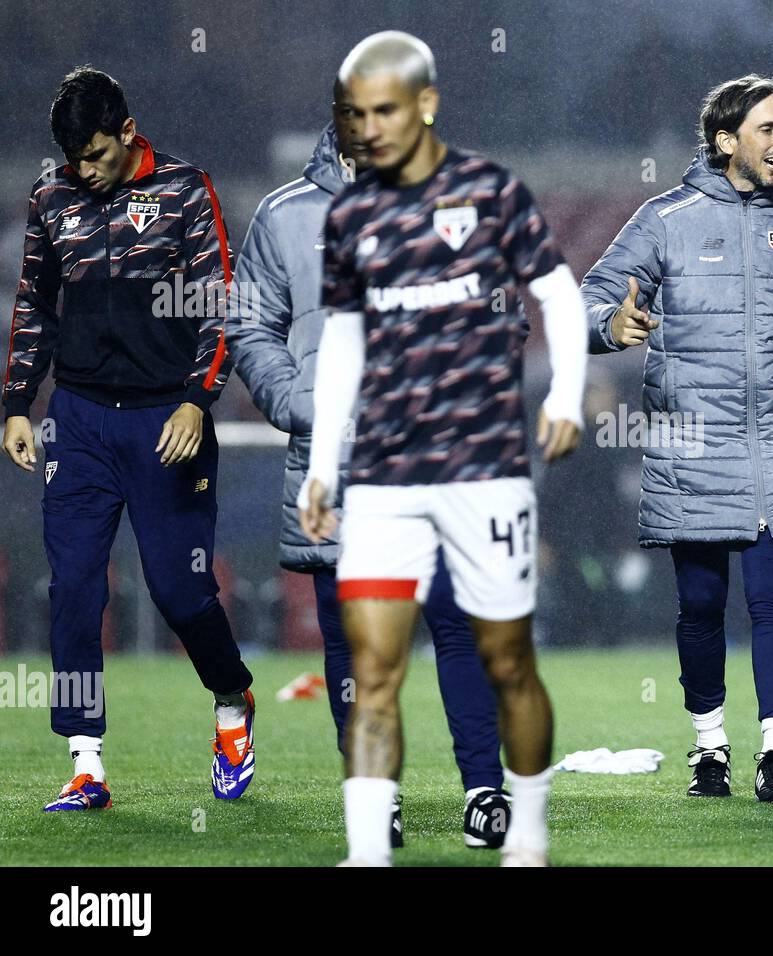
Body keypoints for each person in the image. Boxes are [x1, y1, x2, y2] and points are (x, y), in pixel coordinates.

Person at [297, 31, 586, 866]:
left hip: (486, 470)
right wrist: (324, 466)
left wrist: (564, 396)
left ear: (426, 104)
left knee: (507, 662)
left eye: (384, 110)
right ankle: (366, 853)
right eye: (355, 113)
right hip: (385, 477)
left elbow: (560, 297)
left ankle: (525, 836)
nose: (369, 128)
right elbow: (343, 347)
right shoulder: (350, 215)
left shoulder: (491, 192)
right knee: (373, 670)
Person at [225, 86, 509, 848]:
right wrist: (299, 403)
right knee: (353, 645)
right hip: (336, 466)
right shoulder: (286, 216)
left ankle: (484, 790)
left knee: (458, 624)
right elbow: (249, 324)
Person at [581, 75, 773, 803]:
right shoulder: (664, 218)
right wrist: (611, 327)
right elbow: (588, 296)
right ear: (725, 140)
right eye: (766, 129)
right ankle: (710, 749)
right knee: (701, 607)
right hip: (691, 447)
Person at [1, 67, 254, 809]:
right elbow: (35, 309)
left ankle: (233, 702)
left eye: (97, 156)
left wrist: (197, 401)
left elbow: (222, 306)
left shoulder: (185, 190)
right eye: (74, 159)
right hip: (77, 421)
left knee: (180, 591)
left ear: (128, 131)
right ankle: (86, 763)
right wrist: (17, 402)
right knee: (74, 588)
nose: (85, 171)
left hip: (164, 422)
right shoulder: (52, 201)